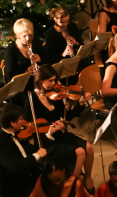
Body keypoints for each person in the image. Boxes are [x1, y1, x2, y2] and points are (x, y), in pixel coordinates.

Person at [24, 64, 95, 192]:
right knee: (81, 152)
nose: (54, 83)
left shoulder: (55, 95)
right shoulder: (31, 100)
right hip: (46, 141)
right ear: (41, 81)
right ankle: (71, 186)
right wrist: (49, 131)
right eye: (50, 81)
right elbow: (29, 128)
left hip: (60, 135)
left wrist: (81, 103)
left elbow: (66, 117)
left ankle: (88, 178)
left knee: (88, 148)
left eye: (55, 80)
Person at [0, 103, 46, 197]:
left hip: (29, 174)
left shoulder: (16, 132)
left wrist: (48, 134)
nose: (24, 121)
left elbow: (31, 149)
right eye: (21, 119)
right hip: (16, 186)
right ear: (12, 123)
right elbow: (15, 167)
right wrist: (37, 155)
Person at [4, 18, 48, 83]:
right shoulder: (11, 50)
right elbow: (10, 73)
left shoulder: (36, 44)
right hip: (21, 84)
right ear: (17, 35)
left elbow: (48, 62)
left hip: (39, 81)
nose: (28, 39)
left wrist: (40, 59)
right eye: (24, 36)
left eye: (30, 35)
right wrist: (25, 72)